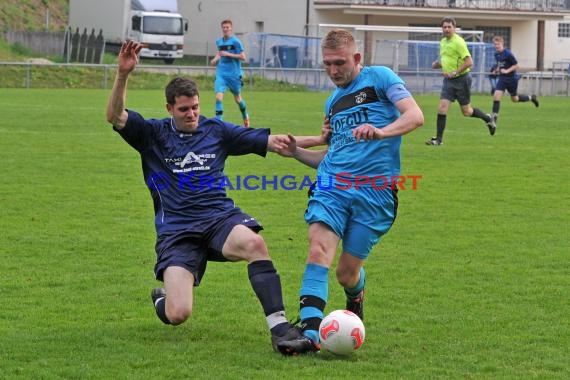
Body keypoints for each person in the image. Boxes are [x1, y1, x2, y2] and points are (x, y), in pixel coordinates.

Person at [105, 40, 325, 352]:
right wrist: (123, 75)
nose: (192, 114)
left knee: (254, 243)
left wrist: (317, 138)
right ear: (170, 109)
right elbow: (115, 116)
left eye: (195, 107)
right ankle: (164, 300)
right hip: (177, 231)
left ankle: (280, 330)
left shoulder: (216, 130)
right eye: (184, 109)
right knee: (178, 313)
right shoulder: (152, 134)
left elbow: (274, 141)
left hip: (218, 218)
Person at [273, 29, 424, 355]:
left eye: (339, 62)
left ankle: (355, 297)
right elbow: (333, 156)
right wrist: (297, 153)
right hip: (332, 187)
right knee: (318, 251)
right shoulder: (333, 102)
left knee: (346, 273)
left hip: (376, 193)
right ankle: (310, 333)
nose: (333, 70)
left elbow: (415, 116)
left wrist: (381, 132)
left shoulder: (380, 78)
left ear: (356, 59)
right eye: (327, 64)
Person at [426, 17, 496, 146]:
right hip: (448, 81)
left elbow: (469, 62)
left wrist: (455, 72)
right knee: (442, 108)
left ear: (454, 28)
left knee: (467, 112)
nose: (446, 29)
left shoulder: (459, 42)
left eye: (449, 27)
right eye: (444, 27)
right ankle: (438, 140)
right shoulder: (443, 42)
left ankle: (488, 118)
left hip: (461, 80)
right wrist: (437, 64)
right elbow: (448, 59)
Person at [490, 35, 539, 124]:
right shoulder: (496, 54)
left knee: (515, 99)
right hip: (502, 78)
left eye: (498, 44)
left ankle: (531, 98)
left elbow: (516, 65)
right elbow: (500, 64)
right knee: (496, 96)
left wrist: (507, 70)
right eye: (495, 44)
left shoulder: (508, 53)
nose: (496, 46)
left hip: (511, 79)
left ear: (502, 43)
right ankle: (494, 119)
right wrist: (496, 70)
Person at [210, 19, 250, 127]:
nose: (225, 29)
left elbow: (243, 57)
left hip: (234, 74)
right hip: (221, 73)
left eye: (227, 27)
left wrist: (228, 54)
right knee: (218, 97)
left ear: (231, 28)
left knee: (238, 99)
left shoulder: (236, 41)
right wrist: (215, 59)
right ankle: (219, 122)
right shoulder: (219, 41)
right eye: (223, 27)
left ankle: (245, 115)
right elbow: (220, 53)